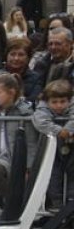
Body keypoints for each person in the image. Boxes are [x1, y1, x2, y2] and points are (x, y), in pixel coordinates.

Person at [0, 72, 37, 199]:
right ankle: (15, 202)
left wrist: (29, 167)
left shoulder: (24, 112)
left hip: (17, 158)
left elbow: (32, 142)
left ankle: (16, 203)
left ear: (12, 92)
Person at [33, 79, 74, 209]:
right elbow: (40, 122)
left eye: (63, 102)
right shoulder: (42, 108)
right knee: (53, 179)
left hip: (71, 151)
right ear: (47, 101)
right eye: (54, 102)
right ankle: (55, 209)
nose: (59, 105)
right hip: (52, 151)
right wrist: (61, 131)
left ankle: (70, 209)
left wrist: (68, 130)